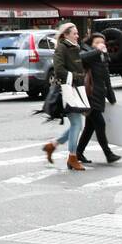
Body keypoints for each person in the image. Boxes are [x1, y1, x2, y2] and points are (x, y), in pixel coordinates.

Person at [42, 22, 88, 171]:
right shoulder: (62, 47)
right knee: (77, 124)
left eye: (77, 33)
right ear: (66, 34)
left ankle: (52, 145)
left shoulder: (74, 47)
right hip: (67, 90)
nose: (77, 35)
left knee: (77, 124)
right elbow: (59, 70)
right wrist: (77, 76)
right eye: (74, 33)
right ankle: (72, 157)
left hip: (75, 89)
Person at [75, 32, 122, 164]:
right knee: (100, 124)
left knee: (90, 127)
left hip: (99, 95)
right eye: (96, 42)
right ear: (91, 44)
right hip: (89, 96)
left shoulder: (103, 56)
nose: (100, 45)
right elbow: (81, 58)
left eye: (102, 43)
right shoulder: (87, 52)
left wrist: (111, 97)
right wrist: (97, 51)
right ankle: (108, 154)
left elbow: (106, 78)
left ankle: (78, 153)